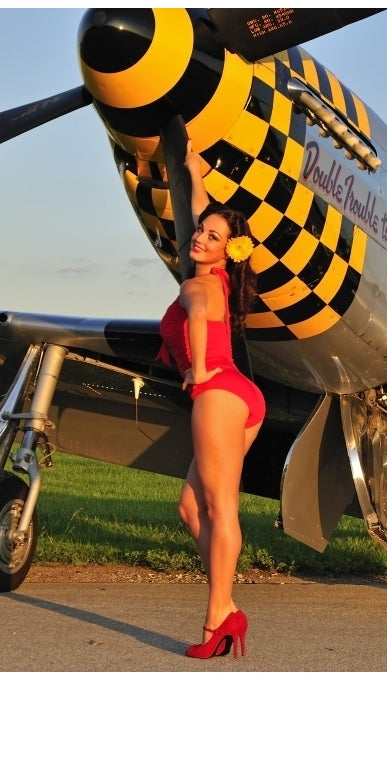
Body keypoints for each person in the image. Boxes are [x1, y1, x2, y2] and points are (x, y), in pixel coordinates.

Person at [157, 140, 265, 659]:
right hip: (237, 393)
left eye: (212, 235)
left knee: (221, 508)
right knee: (190, 507)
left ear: (228, 249)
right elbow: (199, 206)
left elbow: (197, 317)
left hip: (219, 390)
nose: (199, 236)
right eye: (201, 231)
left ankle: (215, 619)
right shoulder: (217, 274)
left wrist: (196, 370)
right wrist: (191, 164)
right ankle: (227, 605)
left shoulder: (200, 287)